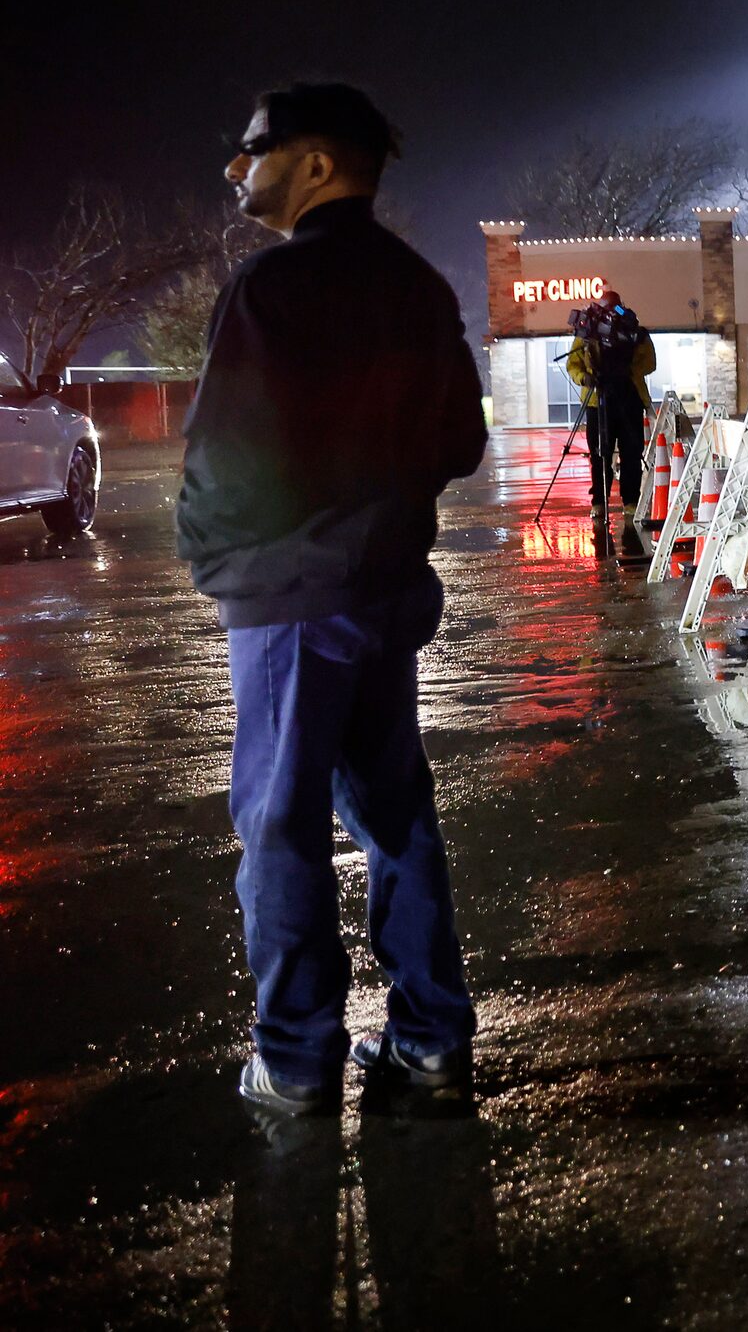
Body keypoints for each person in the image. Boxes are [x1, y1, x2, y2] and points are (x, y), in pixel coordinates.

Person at [179, 81, 488, 1117]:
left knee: (280, 825)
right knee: (396, 813)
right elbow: (460, 444)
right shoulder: (419, 287)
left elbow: (224, 457)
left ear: (316, 162)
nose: (237, 165)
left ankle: (297, 1060)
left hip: (289, 599)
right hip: (386, 591)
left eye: (253, 145)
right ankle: (432, 1039)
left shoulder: (272, 289)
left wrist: (221, 563)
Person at [561, 287, 655, 536]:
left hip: (629, 397)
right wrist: (586, 378)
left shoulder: (633, 331)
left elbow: (649, 362)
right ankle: (599, 502)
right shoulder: (588, 332)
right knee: (599, 454)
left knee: (631, 452)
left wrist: (628, 367)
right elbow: (574, 363)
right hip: (597, 400)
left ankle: (631, 502)